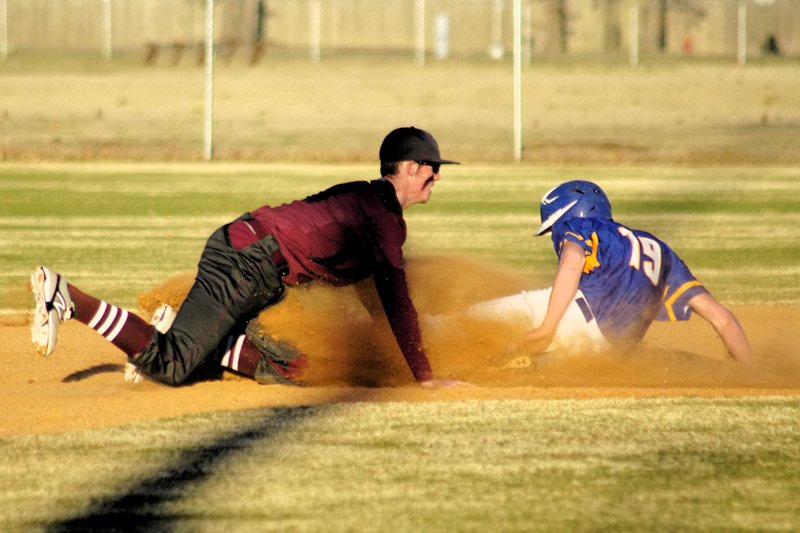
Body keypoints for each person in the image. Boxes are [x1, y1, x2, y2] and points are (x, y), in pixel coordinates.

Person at [31, 126, 464, 389]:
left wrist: (384, 351)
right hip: (249, 261)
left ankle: (180, 325)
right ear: (407, 167)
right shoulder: (384, 219)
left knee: (299, 364)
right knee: (171, 365)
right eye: (431, 165)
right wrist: (423, 375)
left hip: (256, 261)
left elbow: (373, 295)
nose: (437, 175)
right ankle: (67, 298)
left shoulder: (363, 195)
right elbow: (396, 301)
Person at [452, 180, 755, 367]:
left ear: (574, 213)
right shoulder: (659, 251)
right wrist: (752, 373)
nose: (554, 236)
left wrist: (548, 326)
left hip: (575, 314)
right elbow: (722, 318)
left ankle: (413, 356)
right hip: (609, 350)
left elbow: (571, 263)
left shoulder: (584, 226)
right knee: (536, 362)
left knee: (466, 322)